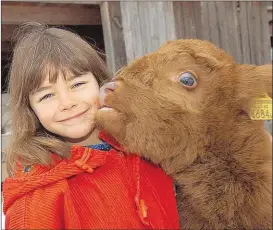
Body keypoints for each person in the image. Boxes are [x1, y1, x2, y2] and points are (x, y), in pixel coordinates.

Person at [2, 22, 179, 229]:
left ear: (100, 82)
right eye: (47, 95)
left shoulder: (148, 149)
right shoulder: (36, 197)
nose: (67, 103)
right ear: (30, 109)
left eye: (77, 84)